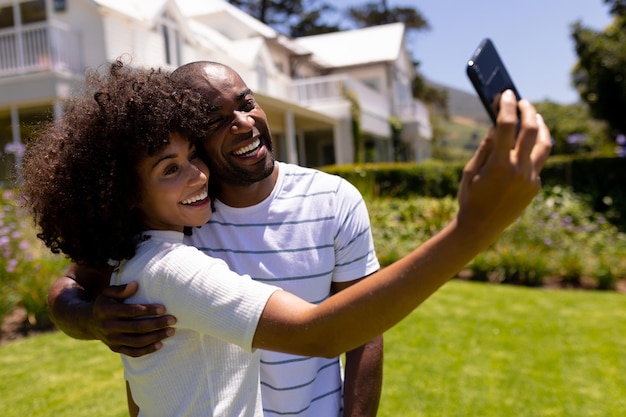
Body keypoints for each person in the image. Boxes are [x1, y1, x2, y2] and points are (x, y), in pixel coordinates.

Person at [43, 61, 552, 417]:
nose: (244, 123)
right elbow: (70, 287)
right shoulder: (172, 227)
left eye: (246, 103)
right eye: (215, 122)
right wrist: (90, 318)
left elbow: (361, 331)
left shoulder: (331, 199)